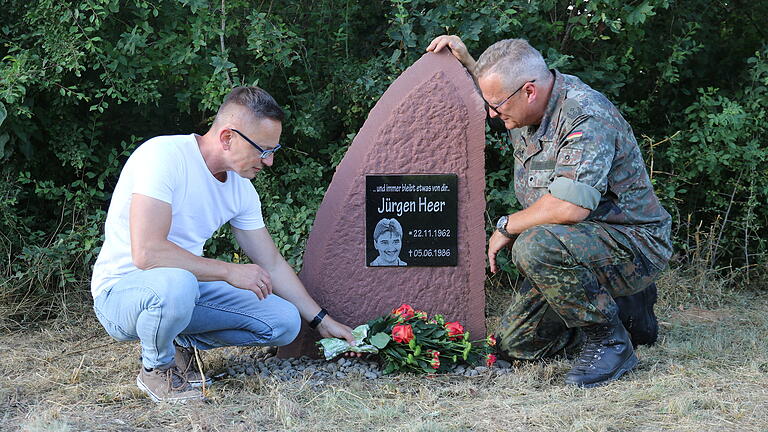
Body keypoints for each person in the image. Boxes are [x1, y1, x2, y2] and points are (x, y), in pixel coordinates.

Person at [427, 36, 671, 387]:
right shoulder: (522, 104)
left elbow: (569, 207)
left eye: (496, 106)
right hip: (577, 247)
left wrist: (508, 225)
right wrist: (468, 61)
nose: (492, 115)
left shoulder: (585, 114)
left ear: (529, 91)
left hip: (633, 244)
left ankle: (610, 343)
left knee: (534, 245)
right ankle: (627, 310)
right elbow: (501, 88)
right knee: (517, 345)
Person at [90, 87, 355, 402]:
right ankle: (157, 371)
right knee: (179, 284)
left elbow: (270, 262)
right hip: (121, 293)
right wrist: (229, 271)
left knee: (283, 321)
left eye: (274, 149)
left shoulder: (240, 190)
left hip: (182, 292)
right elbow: (147, 253)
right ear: (228, 137)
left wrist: (321, 319)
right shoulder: (163, 156)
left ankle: (181, 345)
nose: (269, 161)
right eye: (262, 149)